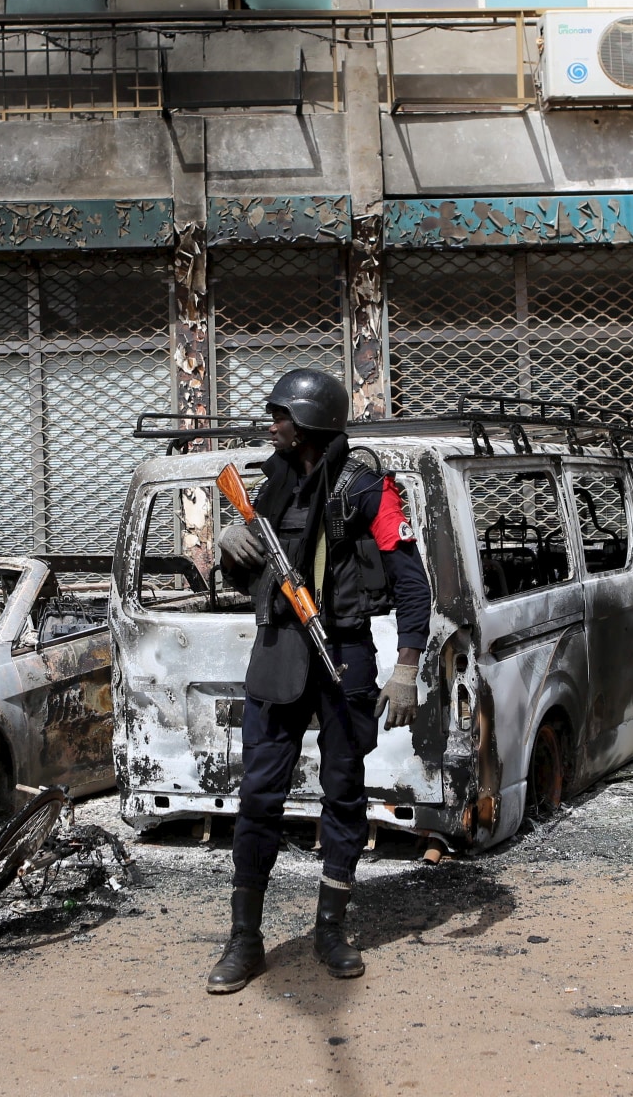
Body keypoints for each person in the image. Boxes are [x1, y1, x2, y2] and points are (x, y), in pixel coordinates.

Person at [205, 367, 432, 994]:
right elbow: (242, 582)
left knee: (343, 791)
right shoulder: (269, 484)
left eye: (280, 414)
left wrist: (408, 664)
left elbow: (412, 583)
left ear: (308, 423)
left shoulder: (366, 488)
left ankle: (331, 927)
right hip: (280, 650)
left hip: (343, 652)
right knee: (258, 796)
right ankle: (244, 939)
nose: (270, 424)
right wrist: (229, 546)